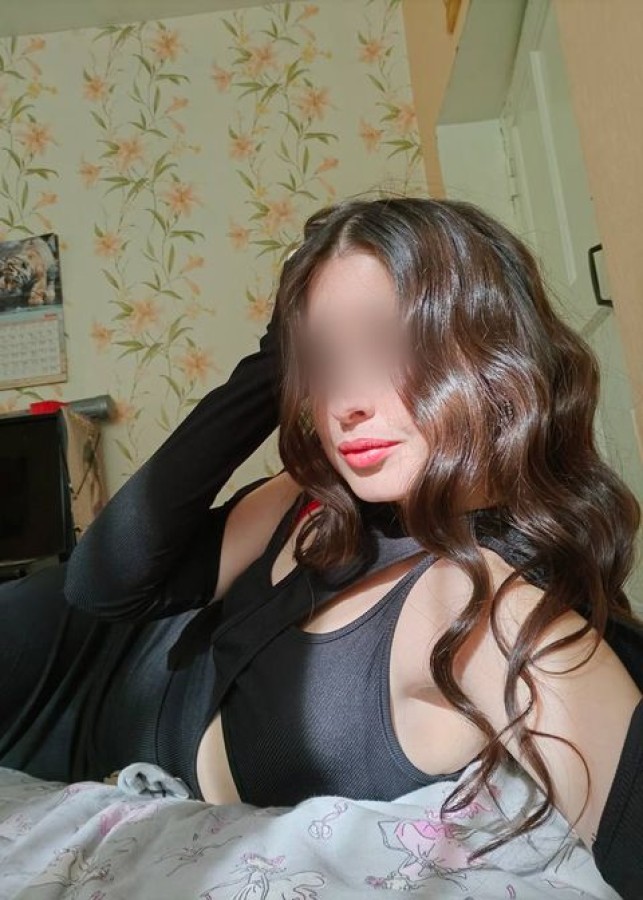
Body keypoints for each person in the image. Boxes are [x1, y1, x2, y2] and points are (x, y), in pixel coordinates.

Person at [0, 197, 641, 897]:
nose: (343, 402)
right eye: (323, 360)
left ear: (494, 349)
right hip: (72, 650)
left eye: (389, 345)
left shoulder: (489, 611)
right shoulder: (320, 491)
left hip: (93, 744)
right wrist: (274, 353)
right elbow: (101, 584)